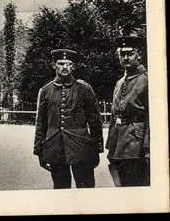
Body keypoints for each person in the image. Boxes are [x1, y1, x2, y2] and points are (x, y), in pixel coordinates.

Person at [33, 49, 104, 189]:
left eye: (69, 64)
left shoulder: (84, 89)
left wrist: (96, 149)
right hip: (55, 148)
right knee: (60, 190)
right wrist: (39, 151)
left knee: (86, 189)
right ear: (54, 65)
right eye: (60, 63)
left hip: (81, 148)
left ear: (74, 66)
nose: (65, 67)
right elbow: (41, 123)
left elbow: (95, 121)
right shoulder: (45, 91)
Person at [105, 36, 150, 187]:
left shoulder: (146, 80)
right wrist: (110, 144)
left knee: (137, 185)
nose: (125, 57)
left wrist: (148, 146)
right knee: (122, 185)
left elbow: (152, 116)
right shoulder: (119, 83)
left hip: (136, 144)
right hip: (118, 142)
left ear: (139, 55)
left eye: (130, 53)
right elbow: (113, 115)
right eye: (122, 54)